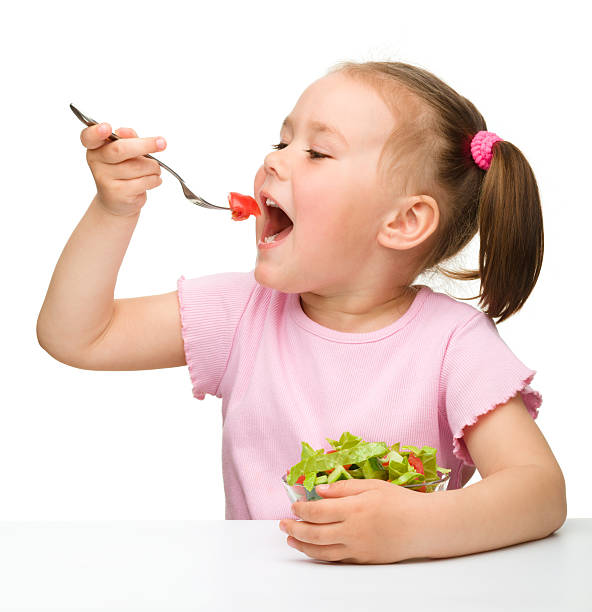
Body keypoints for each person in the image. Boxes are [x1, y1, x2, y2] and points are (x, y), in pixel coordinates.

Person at [37, 61, 566, 564]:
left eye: (317, 153)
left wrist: (414, 526)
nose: (275, 159)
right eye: (282, 140)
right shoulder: (244, 312)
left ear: (404, 222)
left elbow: (539, 491)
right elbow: (79, 336)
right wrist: (114, 209)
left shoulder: (455, 342)